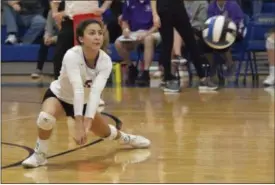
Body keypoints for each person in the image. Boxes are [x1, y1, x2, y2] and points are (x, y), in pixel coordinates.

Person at [22, 19, 150, 168]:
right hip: (59, 96)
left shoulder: (105, 61)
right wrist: (78, 124)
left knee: (106, 133)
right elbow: (77, 88)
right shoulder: (72, 55)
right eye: (92, 33)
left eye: (100, 33)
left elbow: (95, 93)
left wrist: (87, 122)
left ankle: (126, 138)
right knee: (45, 118)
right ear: (81, 38)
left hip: (84, 102)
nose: (97, 37)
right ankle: (39, 156)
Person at [150, 0, 218, 93]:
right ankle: (167, 79)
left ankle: (203, 78)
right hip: (163, 9)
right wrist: (155, 14)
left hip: (179, 8)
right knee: (167, 45)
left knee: (191, 42)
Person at [50, 0, 113, 79]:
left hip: (91, 19)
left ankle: (95, 80)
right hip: (70, 20)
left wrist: (103, 8)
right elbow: (55, 2)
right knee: (60, 53)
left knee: (92, 53)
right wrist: (55, 13)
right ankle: (59, 82)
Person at [115, 0, 161, 86]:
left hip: (152, 32)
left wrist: (146, 34)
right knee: (118, 43)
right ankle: (131, 67)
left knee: (148, 39)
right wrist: (125, 29)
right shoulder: (128, 2)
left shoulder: (154, 2)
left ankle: (146, 72)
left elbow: (158, 25)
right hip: (134, 33)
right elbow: (125, 21)